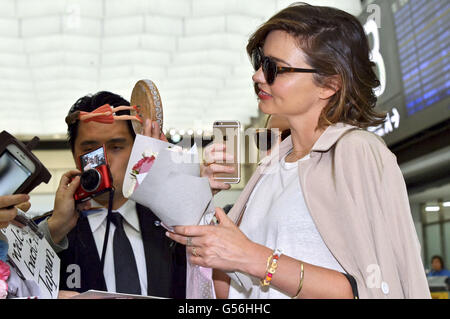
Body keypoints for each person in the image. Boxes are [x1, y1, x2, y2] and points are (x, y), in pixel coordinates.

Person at [167, 3, 430, 299]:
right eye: (260, 63)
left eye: (274, 68)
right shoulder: (273, 166)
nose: (257, 76)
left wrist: (252, 257)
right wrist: (200, 199)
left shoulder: (356, 151)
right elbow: (233, 289)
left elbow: (375, 286)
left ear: (329, 84)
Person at [37, 91, 187, 298]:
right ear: (74, 155)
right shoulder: (52, 231)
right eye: (91, 150)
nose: (104, 161)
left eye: (116, 147)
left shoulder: (173, 224)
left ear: (136, 150)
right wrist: (54, 229)